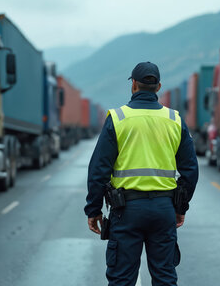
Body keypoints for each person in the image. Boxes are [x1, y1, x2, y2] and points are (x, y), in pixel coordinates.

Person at [85, 61, 199, 286]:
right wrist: (179, 207)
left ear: (133, 85)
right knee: (165, 278)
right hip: (163, 210)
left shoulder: (118, 118)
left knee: (121, 280)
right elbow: (190, 170)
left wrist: (94, 209)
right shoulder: (174, 119)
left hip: (126, 211)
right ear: (158, 87)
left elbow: (99, 169)